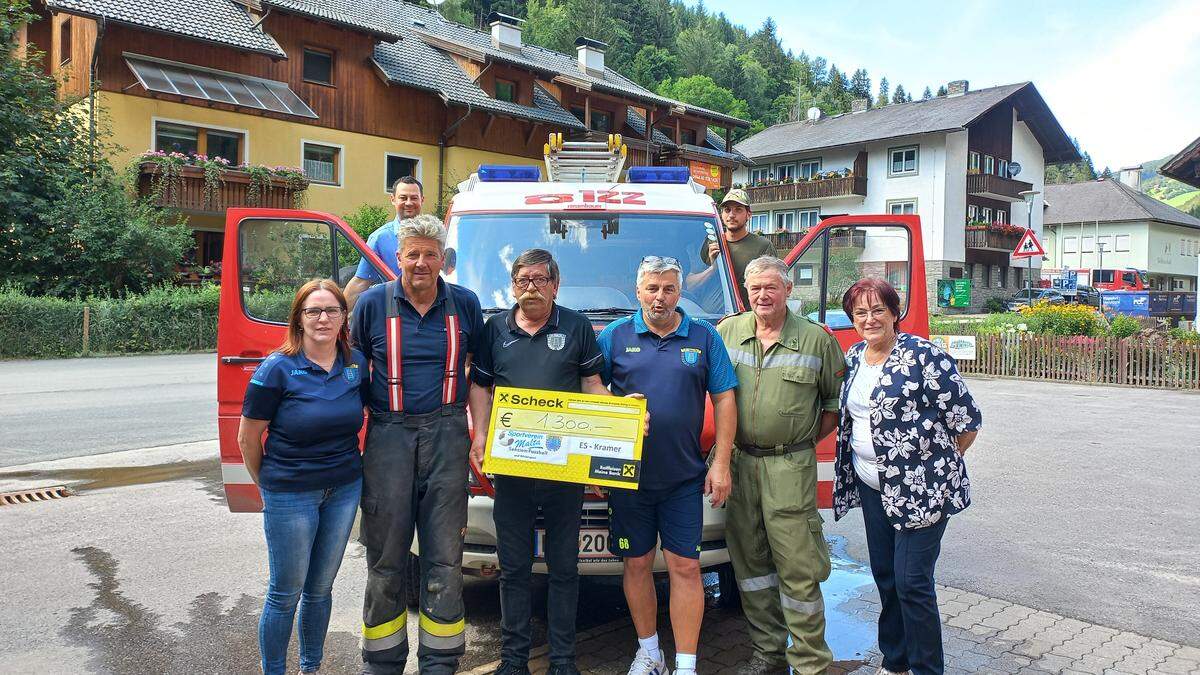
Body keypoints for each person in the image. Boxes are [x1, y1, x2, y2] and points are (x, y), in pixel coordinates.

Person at [350, 214, 487, 675]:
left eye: (431, 254)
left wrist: (480, 434)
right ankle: (383, 660)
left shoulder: (465, 304)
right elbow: (347, 374)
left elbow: (482, 377)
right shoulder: (370, 304)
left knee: (445, 557)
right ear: (399, 258)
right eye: (413, 254)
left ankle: (440, 659)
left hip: (449, 433)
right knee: (386, 558)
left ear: (442, 259)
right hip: (388, 434)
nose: (422, 263)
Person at [468, 248, 610, 675]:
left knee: (565, 567)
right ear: (513, 285)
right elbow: (481, 387)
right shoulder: (494, 328)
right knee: (513, 568)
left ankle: (563, 660)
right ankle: (513, 660)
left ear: (555, 284)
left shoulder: (577, 326)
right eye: (523, 279)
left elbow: (592, 385)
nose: (531, 286)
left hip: (563, 469)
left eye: (540, 280)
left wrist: (622, 415)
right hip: (512, 469)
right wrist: (479, 434)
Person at [596, 255, 738, 675]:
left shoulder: (704, 336)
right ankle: (649, 652)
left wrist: (722, 463)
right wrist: (599, 457)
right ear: (638, 291)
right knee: (637, 565)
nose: (660, 297)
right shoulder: (614, 336)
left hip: (683, 478)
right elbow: (589, 391)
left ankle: (687, 664)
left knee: (685, 567)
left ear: (680, 292)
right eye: (652, 289)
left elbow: (725, 398)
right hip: (628, 478)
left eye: (669, 289)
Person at [833, 278, 982, 675]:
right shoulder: (853, 357)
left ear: (894, 312)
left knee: (911, 582)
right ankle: (895, 661)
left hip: (923, 492)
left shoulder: (924, 356)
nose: (870, 319)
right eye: (861, 312)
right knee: (885, 576)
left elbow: (967, 420)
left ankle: (926, 669)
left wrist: (933, 464)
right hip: (872, 486)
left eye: (878, 310)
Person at [715, 255, 845, 675]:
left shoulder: (816, 340)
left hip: (790, 465)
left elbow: (831, 407)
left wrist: (797, 442)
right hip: (738, 463)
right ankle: (767, 653)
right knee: (750, 566)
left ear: (789, 290)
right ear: (746, 292)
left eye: (771, 287)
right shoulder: (726, 332)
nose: (763, 295)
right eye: (755, 288)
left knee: (798, 566)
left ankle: (810, 661)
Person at [238, 279, 367, 675]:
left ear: (344, 317)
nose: (323, 318)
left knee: (320, 590)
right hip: (290, 492)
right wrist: (272, 486)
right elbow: (247, 438)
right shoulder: (276, 368)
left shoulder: (354, 363)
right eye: (313, 311)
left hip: (344, 489)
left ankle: (311, 667)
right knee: (285, 592)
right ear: (299, 318)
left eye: (331, 310)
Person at [345, 176, 426, 309]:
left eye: (414, 198)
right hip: (398, 311)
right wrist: (338, 317)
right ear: (393, 199)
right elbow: (361, 281)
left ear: (422, 200)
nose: (409, 202)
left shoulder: (435, 235)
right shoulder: (379, 238)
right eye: (403, 198)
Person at [699, 188, 774, 308]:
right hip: (710, 317)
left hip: (747, 317)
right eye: (727, 210)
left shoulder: (763, 246)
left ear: (749, 214)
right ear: (721, 214)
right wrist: (713, 269)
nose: (731, 215)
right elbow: (690, 284)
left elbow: (771, 286)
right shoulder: (711, 242)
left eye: (738, 210)